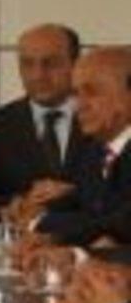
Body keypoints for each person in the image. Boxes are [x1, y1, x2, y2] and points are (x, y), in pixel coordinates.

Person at [0, 24, 93, 223]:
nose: (38, 75)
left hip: (95, 238)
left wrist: (76, 192)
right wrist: (19, 204)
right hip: (22, 238)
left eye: (51, 63)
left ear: (76, 64)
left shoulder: (106, 118)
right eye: (27, 64)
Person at [23, 47, 131, 246]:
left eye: (92, 92)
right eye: (76, 94)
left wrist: (43, 227)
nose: (79, 106)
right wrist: (34, 212)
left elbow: (119, 223)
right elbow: (88, 211)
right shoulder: (94, 151)